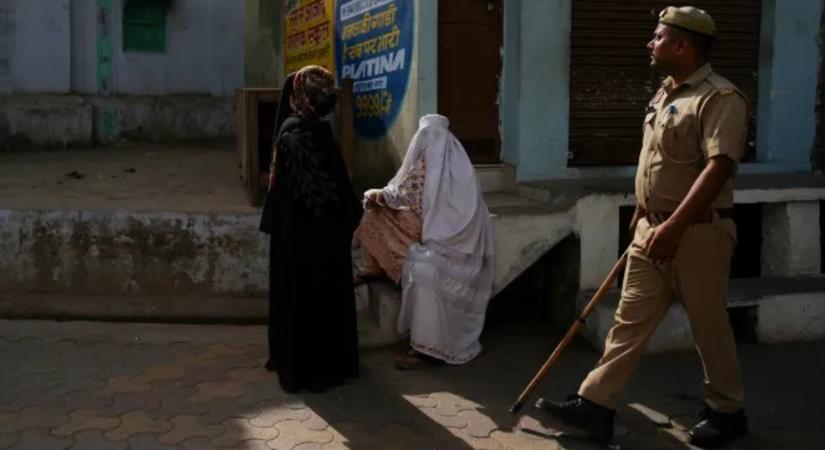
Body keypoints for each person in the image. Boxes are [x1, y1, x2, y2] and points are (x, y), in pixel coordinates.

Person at [535, 7, 749, 448]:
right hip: (650, 231)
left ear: (683, 44)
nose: (649, 44)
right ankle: (596, 405)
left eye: (657, 37)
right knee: (627, 322)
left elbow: (718, 167)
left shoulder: (719, 98)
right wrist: (642, 210)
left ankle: (727, 411)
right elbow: (658, 163)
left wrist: (675, 225)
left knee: (709, 326)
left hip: (698, 234)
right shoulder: (664, 96)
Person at [354, 114, 495, 370]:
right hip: (428, 235)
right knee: (373, 214)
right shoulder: (423, 163)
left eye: (432, 137)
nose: (428, 143)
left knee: (424, 270)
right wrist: (381, 196)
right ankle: (372, 269)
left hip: (458, 249)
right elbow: (405, 190)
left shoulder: (460, 174)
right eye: (424, 137)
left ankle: (425, 350)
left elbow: (463, 222)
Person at [259, 65, 362, 393]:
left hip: (300, 239)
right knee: (315, 302)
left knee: (301, 302)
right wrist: (348, 216)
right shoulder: (303, 135)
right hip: (313, 241)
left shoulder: (299, 129)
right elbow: (328, 192)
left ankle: (304, 361)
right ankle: (316, 368)